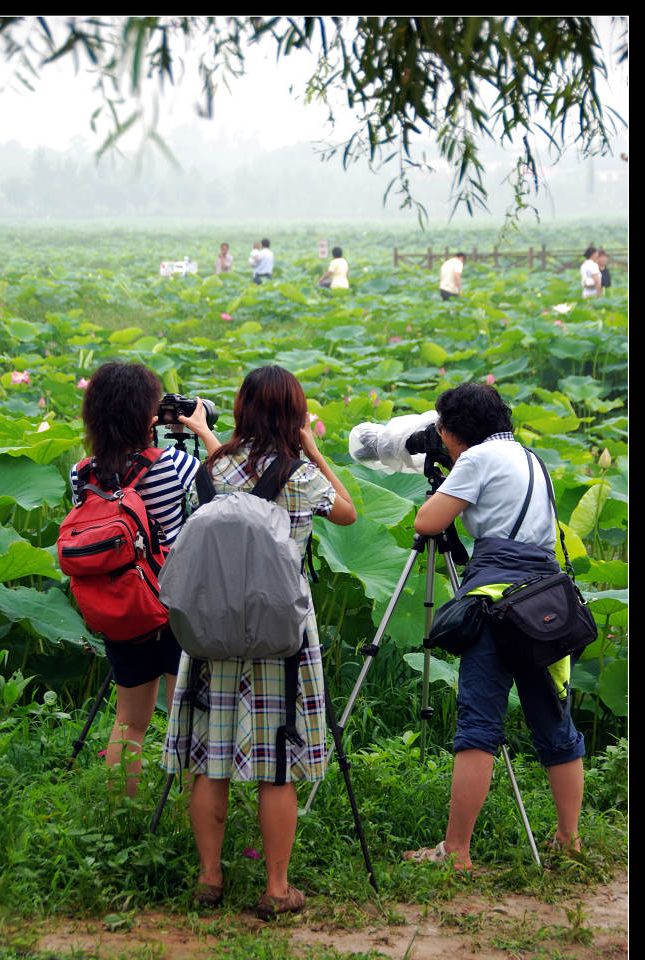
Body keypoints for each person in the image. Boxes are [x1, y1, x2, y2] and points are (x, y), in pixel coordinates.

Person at [162, 365, 356, 917]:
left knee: (209, 755)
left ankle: (209, 878)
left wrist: (207, 438)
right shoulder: (300, 474)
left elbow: (212, 510)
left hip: (213, 631)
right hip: (282, 636)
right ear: (295, 416)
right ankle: (276, 888)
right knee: (277, 761)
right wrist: (314, 451)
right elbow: (347, 512)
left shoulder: (211, 469)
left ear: (243, 409)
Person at [404, 382, 585, 871]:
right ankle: (569, 842)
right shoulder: (531, 458)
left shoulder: (477, 459)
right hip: (546, 604)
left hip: (496, 602)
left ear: (454, 431)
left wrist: (444, 482)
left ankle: (456, 851)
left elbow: (427, 521)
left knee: (479, 727)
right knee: (555, 724)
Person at [70, 362, 220, 797]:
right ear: (147, 415)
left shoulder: (81, 474)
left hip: (124, 606)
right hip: (174, 604)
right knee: (186, 722)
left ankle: (123, 819)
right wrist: (203, 429)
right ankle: (181, 823)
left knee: (129, 722)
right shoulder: (175, 464)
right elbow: (227, 484)